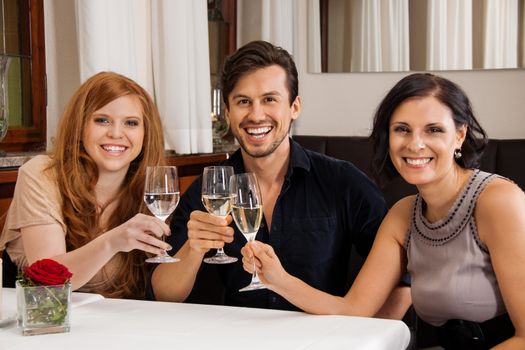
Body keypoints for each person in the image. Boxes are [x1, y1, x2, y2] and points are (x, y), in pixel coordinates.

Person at [241, 73, 525, 348]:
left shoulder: (498, 201)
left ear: (460, 135)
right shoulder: (403, 216)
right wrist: (277, 279)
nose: (415, 144)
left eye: (433, 130)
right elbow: (354, 310)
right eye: (402, 129)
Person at [149, 40, 411, 317]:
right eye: (243, 102)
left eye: (269, 99)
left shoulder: (343, 182)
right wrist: (194, 247)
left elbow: (403, 280)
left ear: (294, 107)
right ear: (227, 113)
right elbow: (164, 295)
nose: (256, 114)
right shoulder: (209, 190)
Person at [0, 72, 171, 299]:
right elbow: (48, 283)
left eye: (131, 123)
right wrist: (112, 242)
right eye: (102, 120)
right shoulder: (41, 174)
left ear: (145, 134)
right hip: (47, 320)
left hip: (120, 322)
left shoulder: (152, 189)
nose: (116, 133)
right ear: (79, 125)